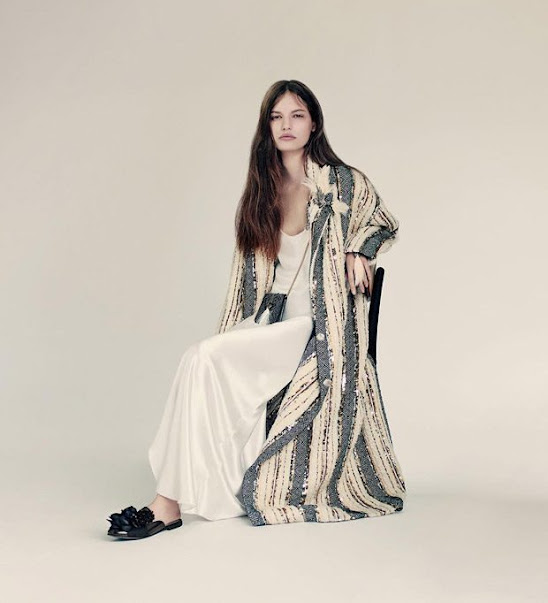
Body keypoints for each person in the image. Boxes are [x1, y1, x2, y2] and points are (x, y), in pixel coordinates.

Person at [107, 80, 405, 539]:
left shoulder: (343, 181)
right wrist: (233, 329)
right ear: (267, 127)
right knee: (199, 361)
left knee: (202, 358)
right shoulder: (263, 190)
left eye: (297, 115)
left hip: (317, 325)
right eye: (276, 117)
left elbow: (382, 222)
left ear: (314, 123)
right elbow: (249, 276)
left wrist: (359, 249)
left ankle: (166, 505)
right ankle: (173, 497)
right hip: (272, 319)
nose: (287, 125)